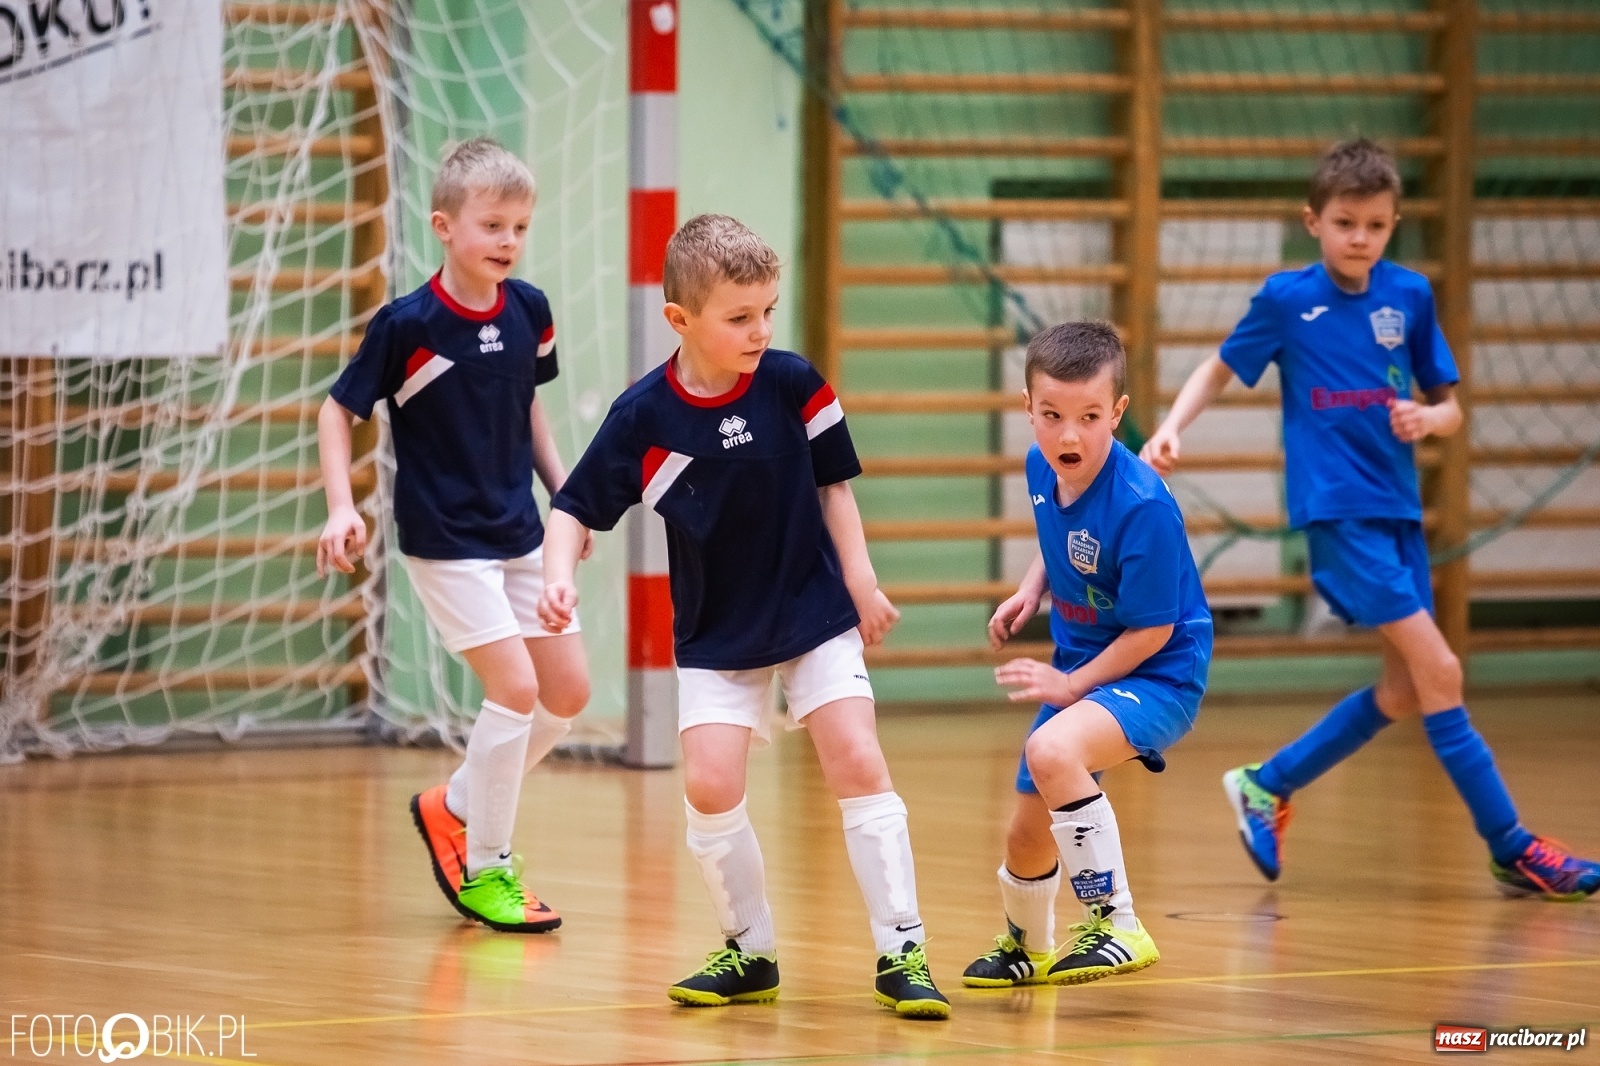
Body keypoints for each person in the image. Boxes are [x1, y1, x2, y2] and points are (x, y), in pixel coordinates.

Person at [1142, 137, 1599, 900]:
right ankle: (1513, 846)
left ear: (1393, 225)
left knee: (1406, 688)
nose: (1360, 238)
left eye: (1376, 225)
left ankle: (1267, 783)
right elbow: (1217, 368)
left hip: (1398, 512)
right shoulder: (1287, 300)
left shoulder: (1409, 296)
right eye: (1346, 223)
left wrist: (1430, 418)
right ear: (1313, 222)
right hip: (1338, 513)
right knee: (1442, 671)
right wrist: (1171, 427)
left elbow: (1451, 408)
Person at [536, 214, 950, 1018]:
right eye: (739, 317)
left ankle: (903, 949)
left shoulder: (795, 384)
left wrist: (862, 582)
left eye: (767, 311)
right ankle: (749, 951)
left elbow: (834, 488)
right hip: (717, 629)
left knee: (857, 759)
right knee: (710, 782)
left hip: (812, 607)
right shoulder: (644, 418)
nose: (760, 330)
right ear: (680, 319)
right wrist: (557, 579)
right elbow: (573, 507)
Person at [317, 137, 593, 934]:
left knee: (567, 694)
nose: (508, 241)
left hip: (521, 532)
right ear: (444, 226)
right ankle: (487, 867)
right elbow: (338, 411)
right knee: (515, 689)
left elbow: (530, 406)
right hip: (446, 541)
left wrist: (565, 495)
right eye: (492, 225)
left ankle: (456, 803)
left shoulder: (530, 311)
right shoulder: (408, 325)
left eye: (520, 227)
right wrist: (341, 506)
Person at [963, 321, 1213, 989]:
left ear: (1118, 413)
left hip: (1158, 676)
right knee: (1026, 833)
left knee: (1050, 751)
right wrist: (1030, 589)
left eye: (1089, 417)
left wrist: (1072, 685)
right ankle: (1028, 947)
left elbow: (1152, 634)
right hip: (1084, 673)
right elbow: (1063, 541)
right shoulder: (1041, 467)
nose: (1068, 436)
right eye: (1052, 416)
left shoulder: (1142, 507)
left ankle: (1117, 924)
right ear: (1028, 408)